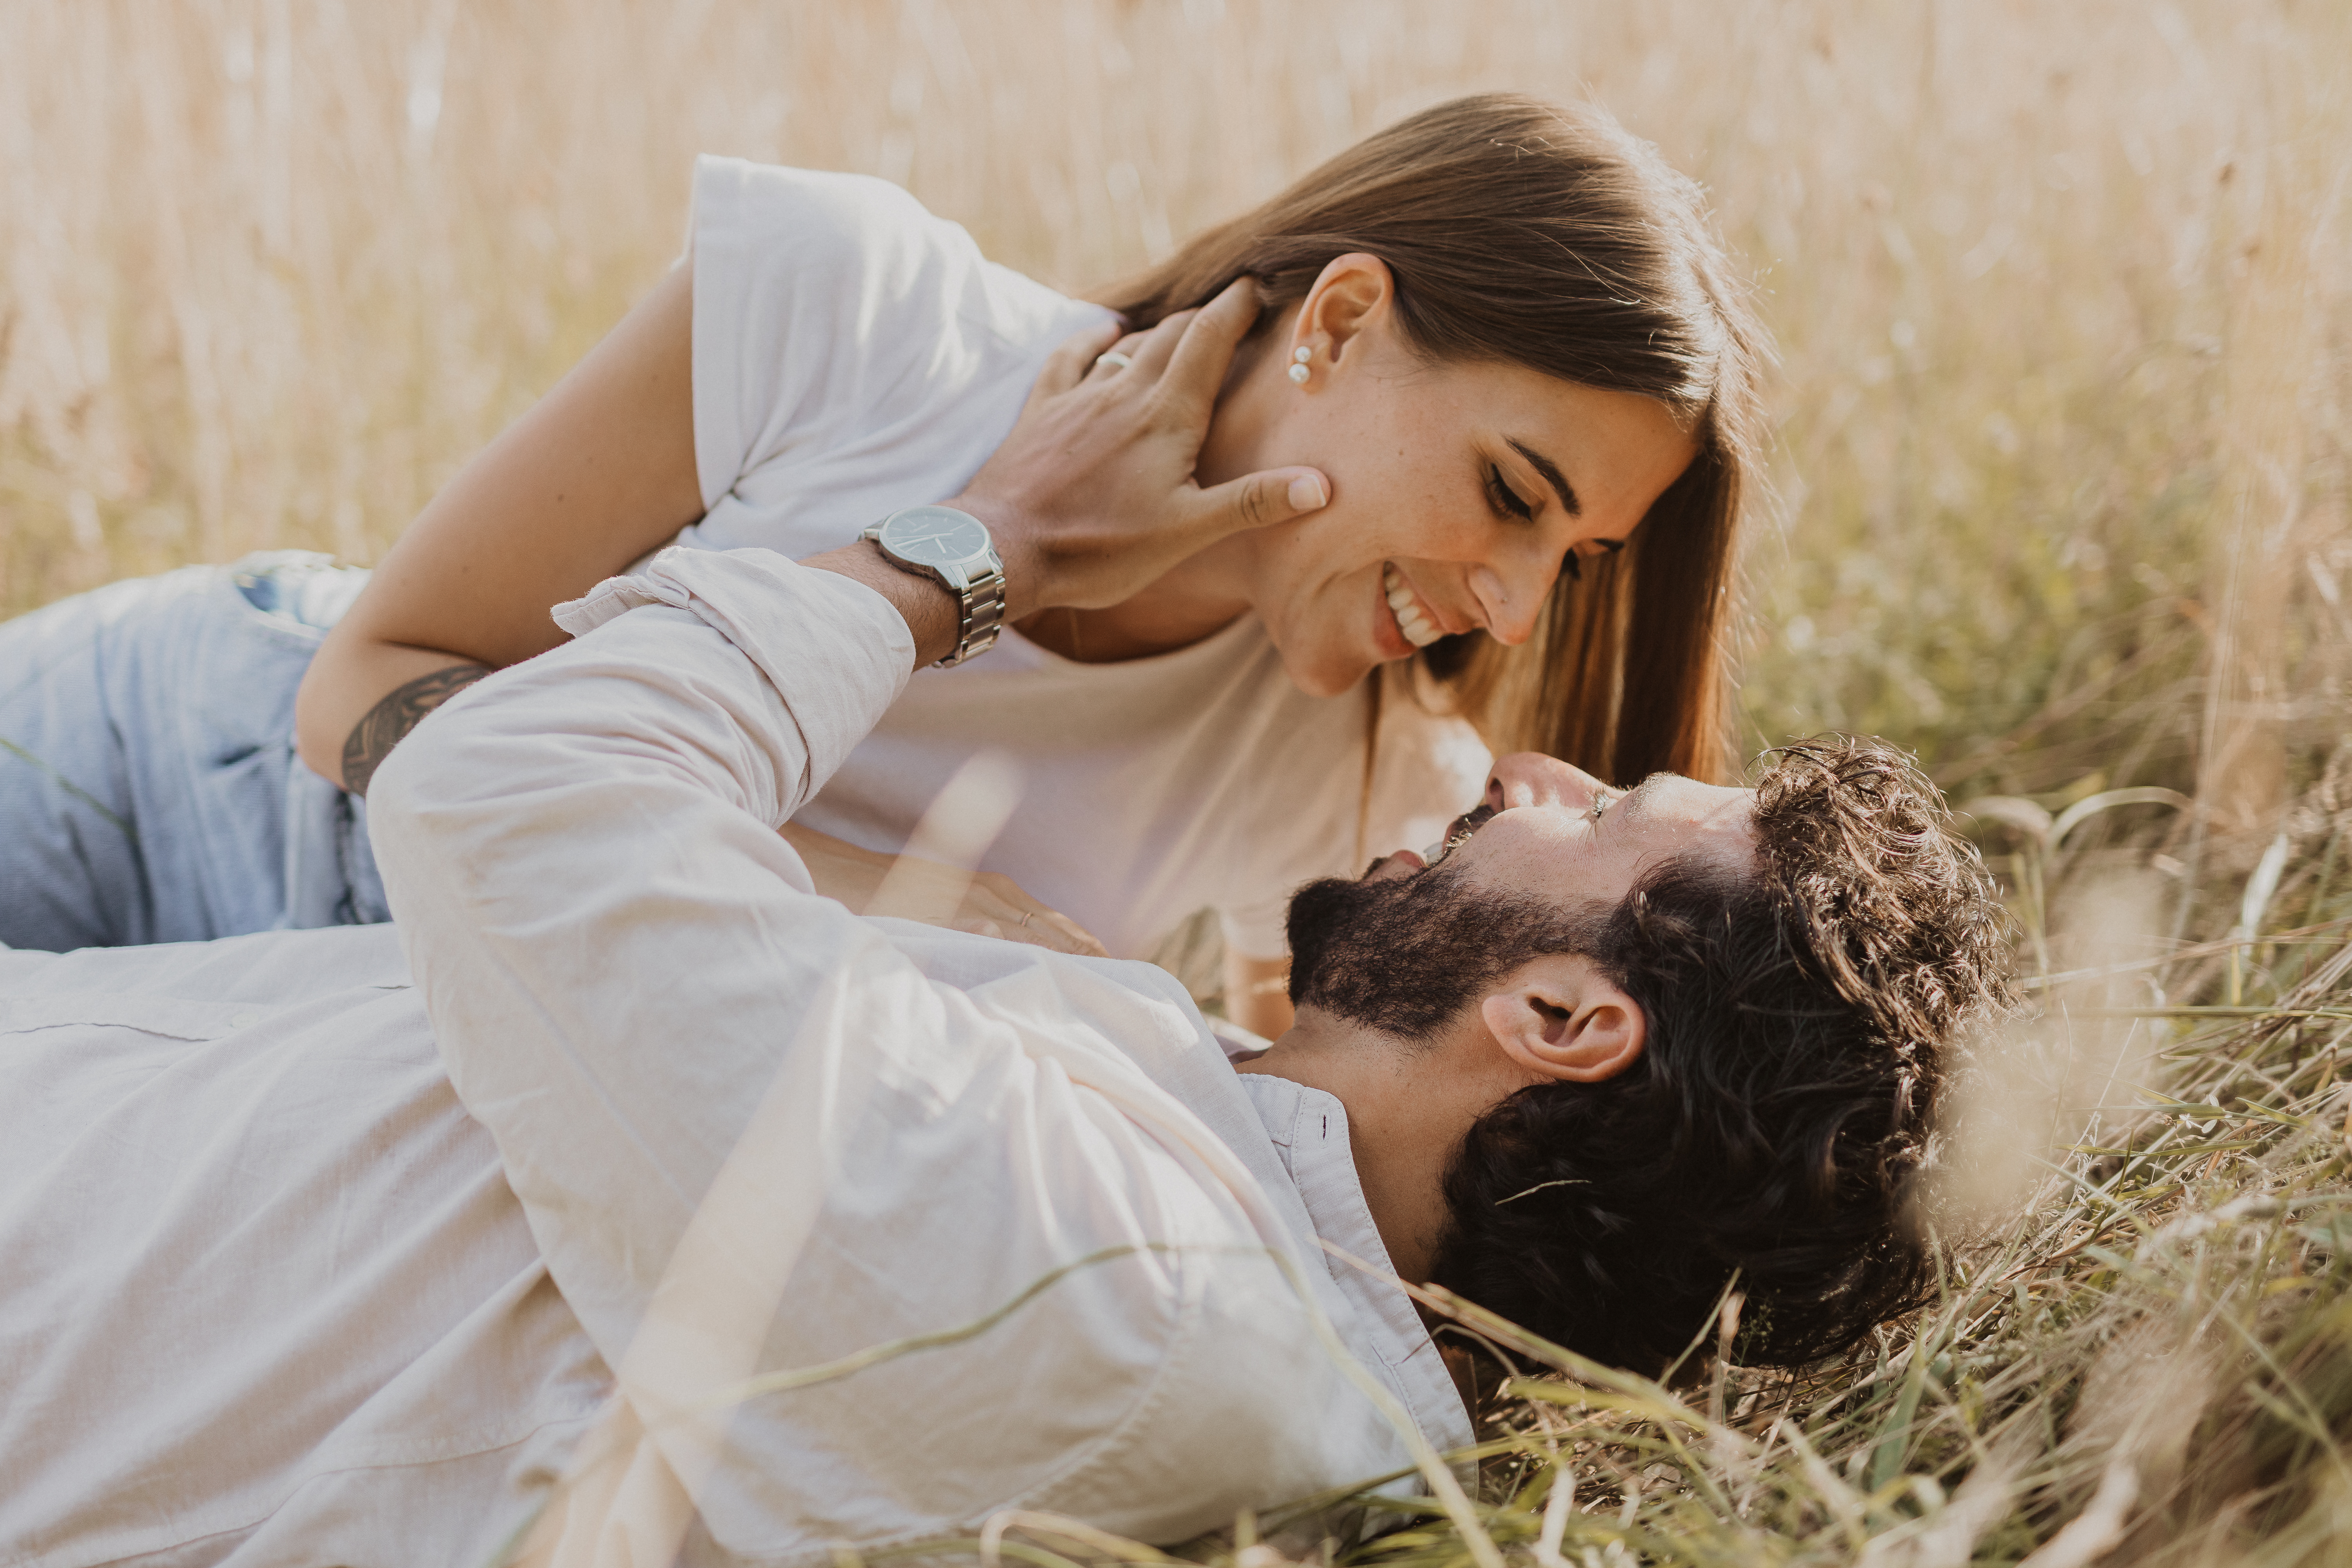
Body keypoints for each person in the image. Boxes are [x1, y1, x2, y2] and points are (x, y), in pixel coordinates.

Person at [0, 345, 2008, 1561]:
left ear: (1562, 1017)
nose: (1542, 762)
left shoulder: (1091, 1284)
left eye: (1606, 817)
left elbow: (497, 787)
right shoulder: (1196, 1221)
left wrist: (973, 551)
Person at [0, 91, 1766, 1036]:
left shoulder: (1369, 783)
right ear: (1347, 319)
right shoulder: (861, 312)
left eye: (1579, 557)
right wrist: (962, 915)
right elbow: (361, 688)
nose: (1520, 608)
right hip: (172, 776)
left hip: (332, 1049)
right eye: (1514, 491)